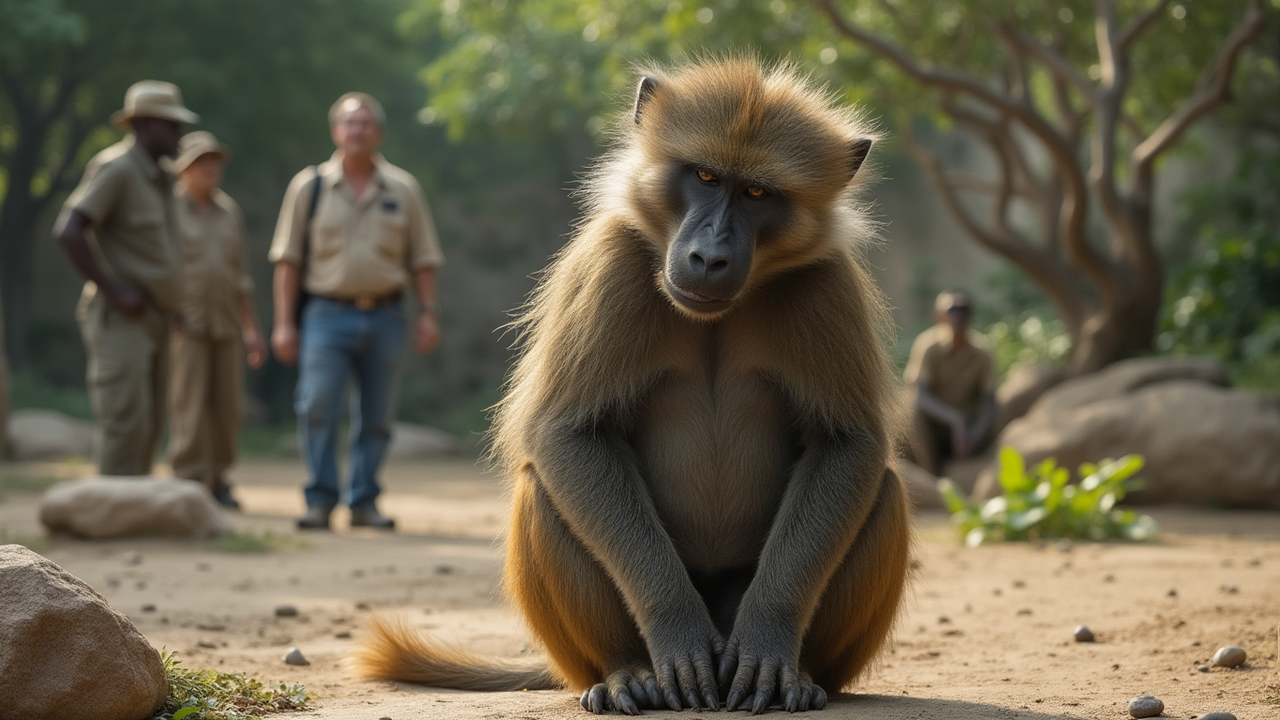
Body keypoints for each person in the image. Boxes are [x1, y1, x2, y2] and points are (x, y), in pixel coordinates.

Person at [269, 92, 444, 531]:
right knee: (317, 404)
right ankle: (320, 500)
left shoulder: (403, 189)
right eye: (350, 123)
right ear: (336, 131)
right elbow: (287, 261)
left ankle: (364, 502)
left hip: (387, 316)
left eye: (366, 123)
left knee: (378, 415)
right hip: (325, 316)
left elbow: (422, 258)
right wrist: (284, 324)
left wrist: (427, 312)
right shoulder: (308, 188)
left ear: (378, 133)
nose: (357, 130)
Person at [53, 80, 197, 476]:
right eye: (172, 125)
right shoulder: (117, 168)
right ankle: (109, 520)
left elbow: (156, 251)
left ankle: (134, 513)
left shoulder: (162, 176)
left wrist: (175, 303)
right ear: (146, 125)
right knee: (124, 421)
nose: (179, 135)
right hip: (122, 318)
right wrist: (113, 291)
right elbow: (69, 231)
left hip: (157, 316)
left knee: (150, 424)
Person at [168, 131, 266, 509]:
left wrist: (252, 330)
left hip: (226, 323)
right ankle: (189, 482)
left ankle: (220, 479)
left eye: (214, 161)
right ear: (183, 170)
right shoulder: (170, 209)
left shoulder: (230, 212)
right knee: (189, 407)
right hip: (185, 324)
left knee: (227, 409)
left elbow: (241, 276)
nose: (210, 168)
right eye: (200, 162)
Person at [904, 290, 997, 475]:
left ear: (970, 315)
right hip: (934, 426)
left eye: (963, 310)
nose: (958, 316)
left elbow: (990, 401)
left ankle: (981, 468)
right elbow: (919, 395)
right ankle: (931, 474)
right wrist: (955, 420)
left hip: (969, 428)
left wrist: (975, 433)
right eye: (952, 310)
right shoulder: (928, 346)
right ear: (939, 316)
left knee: (998, 414)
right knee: (910, 410)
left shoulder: (981, 351)